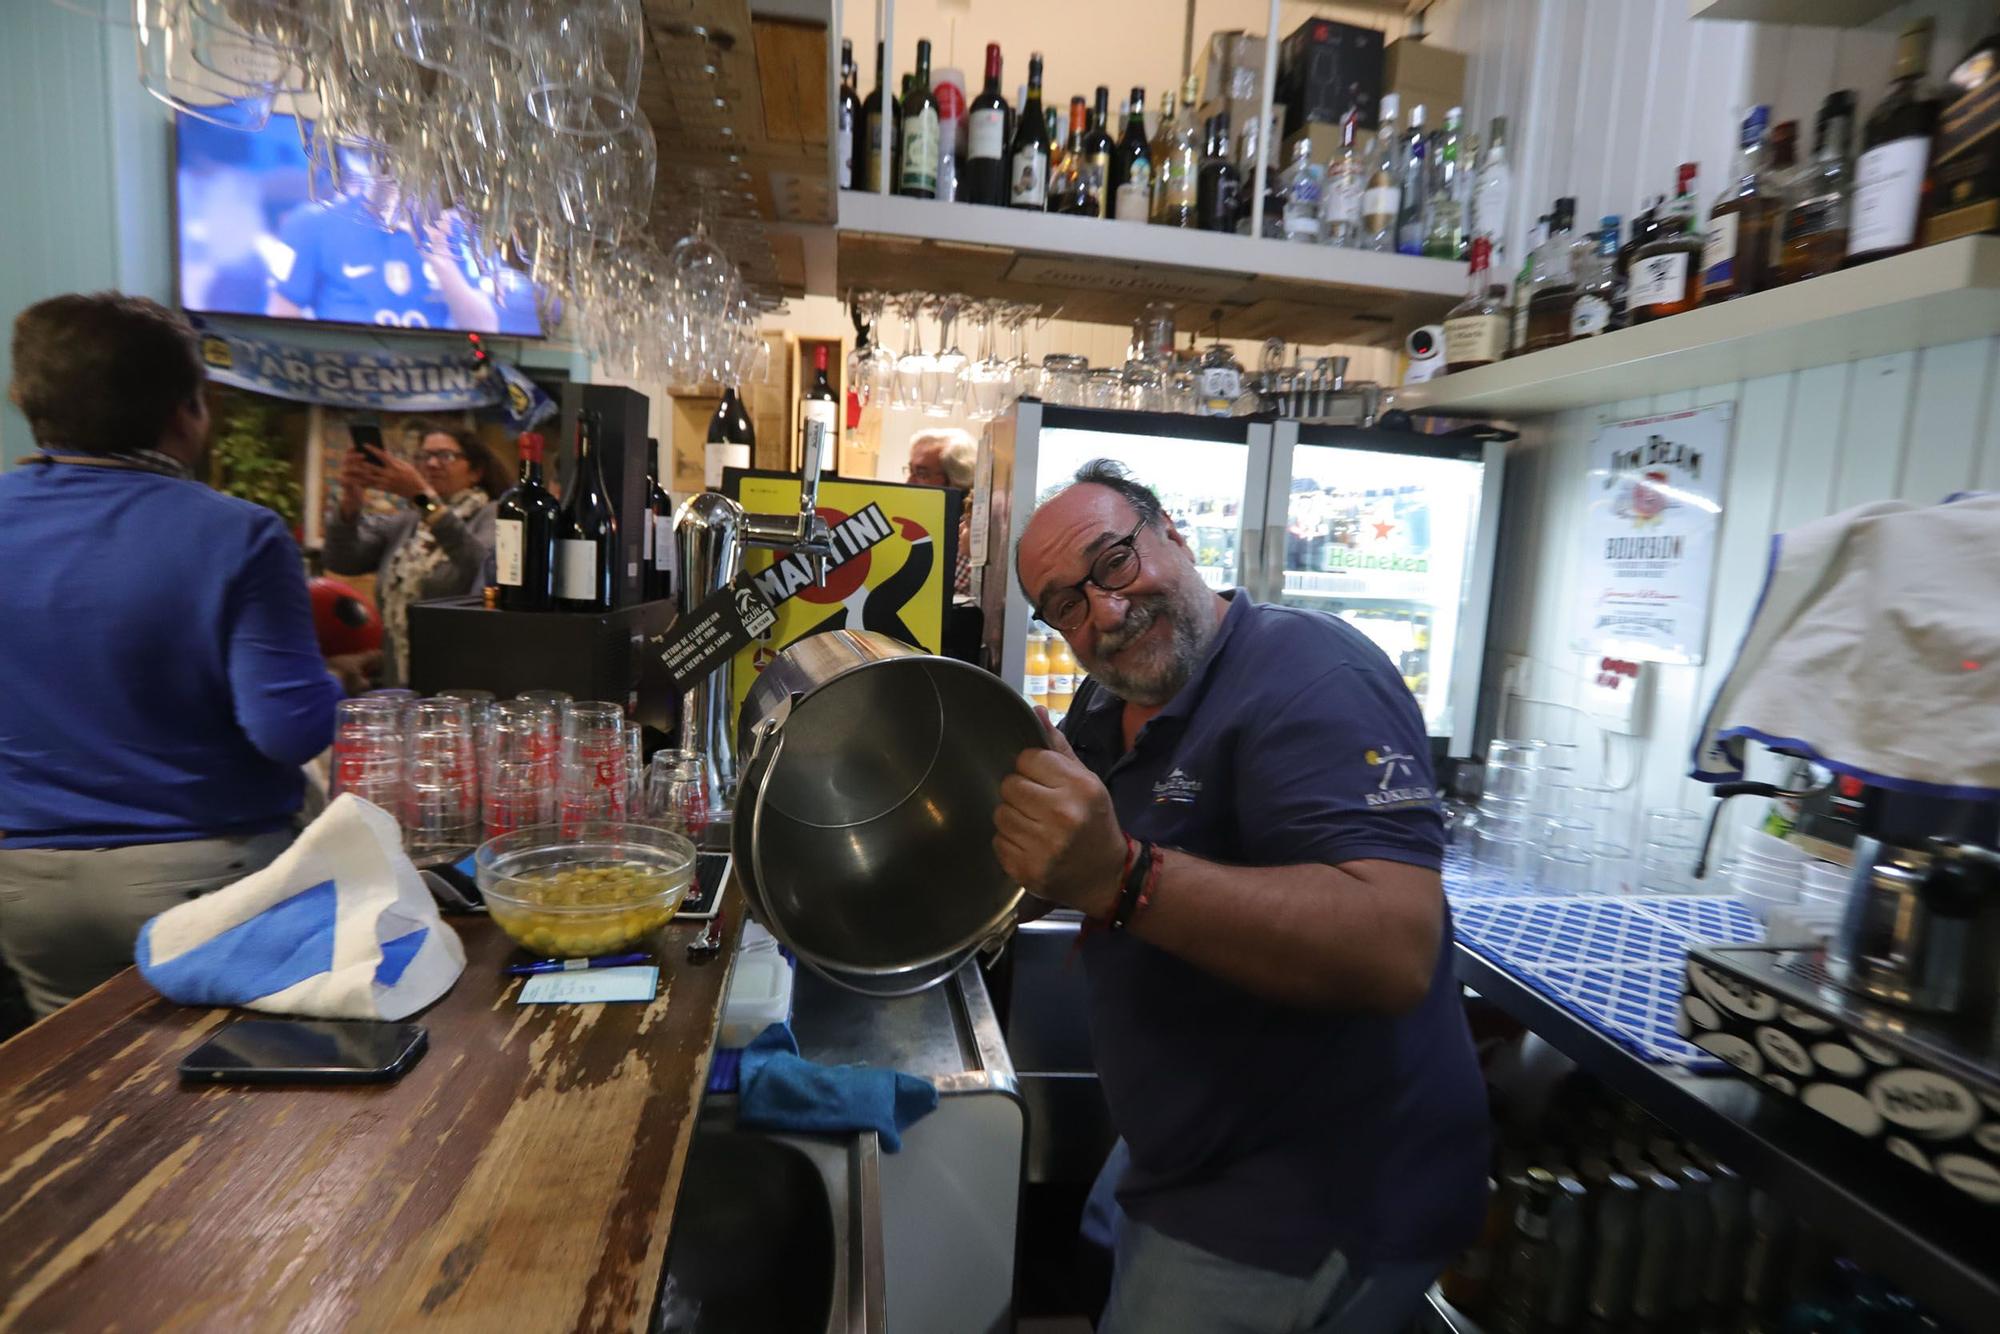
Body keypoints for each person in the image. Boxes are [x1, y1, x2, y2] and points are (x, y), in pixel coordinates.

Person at [995, 460, 1488, 1334]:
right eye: (1067, 604)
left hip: (1300, 1199)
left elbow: (1395, 943)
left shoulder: (1311, 676)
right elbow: (1060, 845)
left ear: (1174, 536)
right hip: (1190, 1153)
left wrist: (1122, 878)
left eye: (1113, 562)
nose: (1105, 611)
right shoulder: (1117, 700)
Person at [0, 293, 340, 1017]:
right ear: (188, 410)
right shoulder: (238, 535)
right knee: (227, 1101)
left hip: (26, 881)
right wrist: (335, 684)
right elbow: (290, 730)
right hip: (204, 872)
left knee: (75, 1096)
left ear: (27, 400)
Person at [324, 421, 504, 687]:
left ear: (476, 472)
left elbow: (480, 565)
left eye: (445, 456)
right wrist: (350, 503)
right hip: (402, 685)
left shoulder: (493, 515)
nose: (431, 464)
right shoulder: (409, 523)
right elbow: (342, 560)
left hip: (462, 684)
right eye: (423, 457)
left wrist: (423, 498)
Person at [905, 426, 977, 598]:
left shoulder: (968, 531)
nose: (909, 482)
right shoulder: (924, 522)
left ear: (956, 479)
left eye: (921, 474)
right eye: (910, 471)